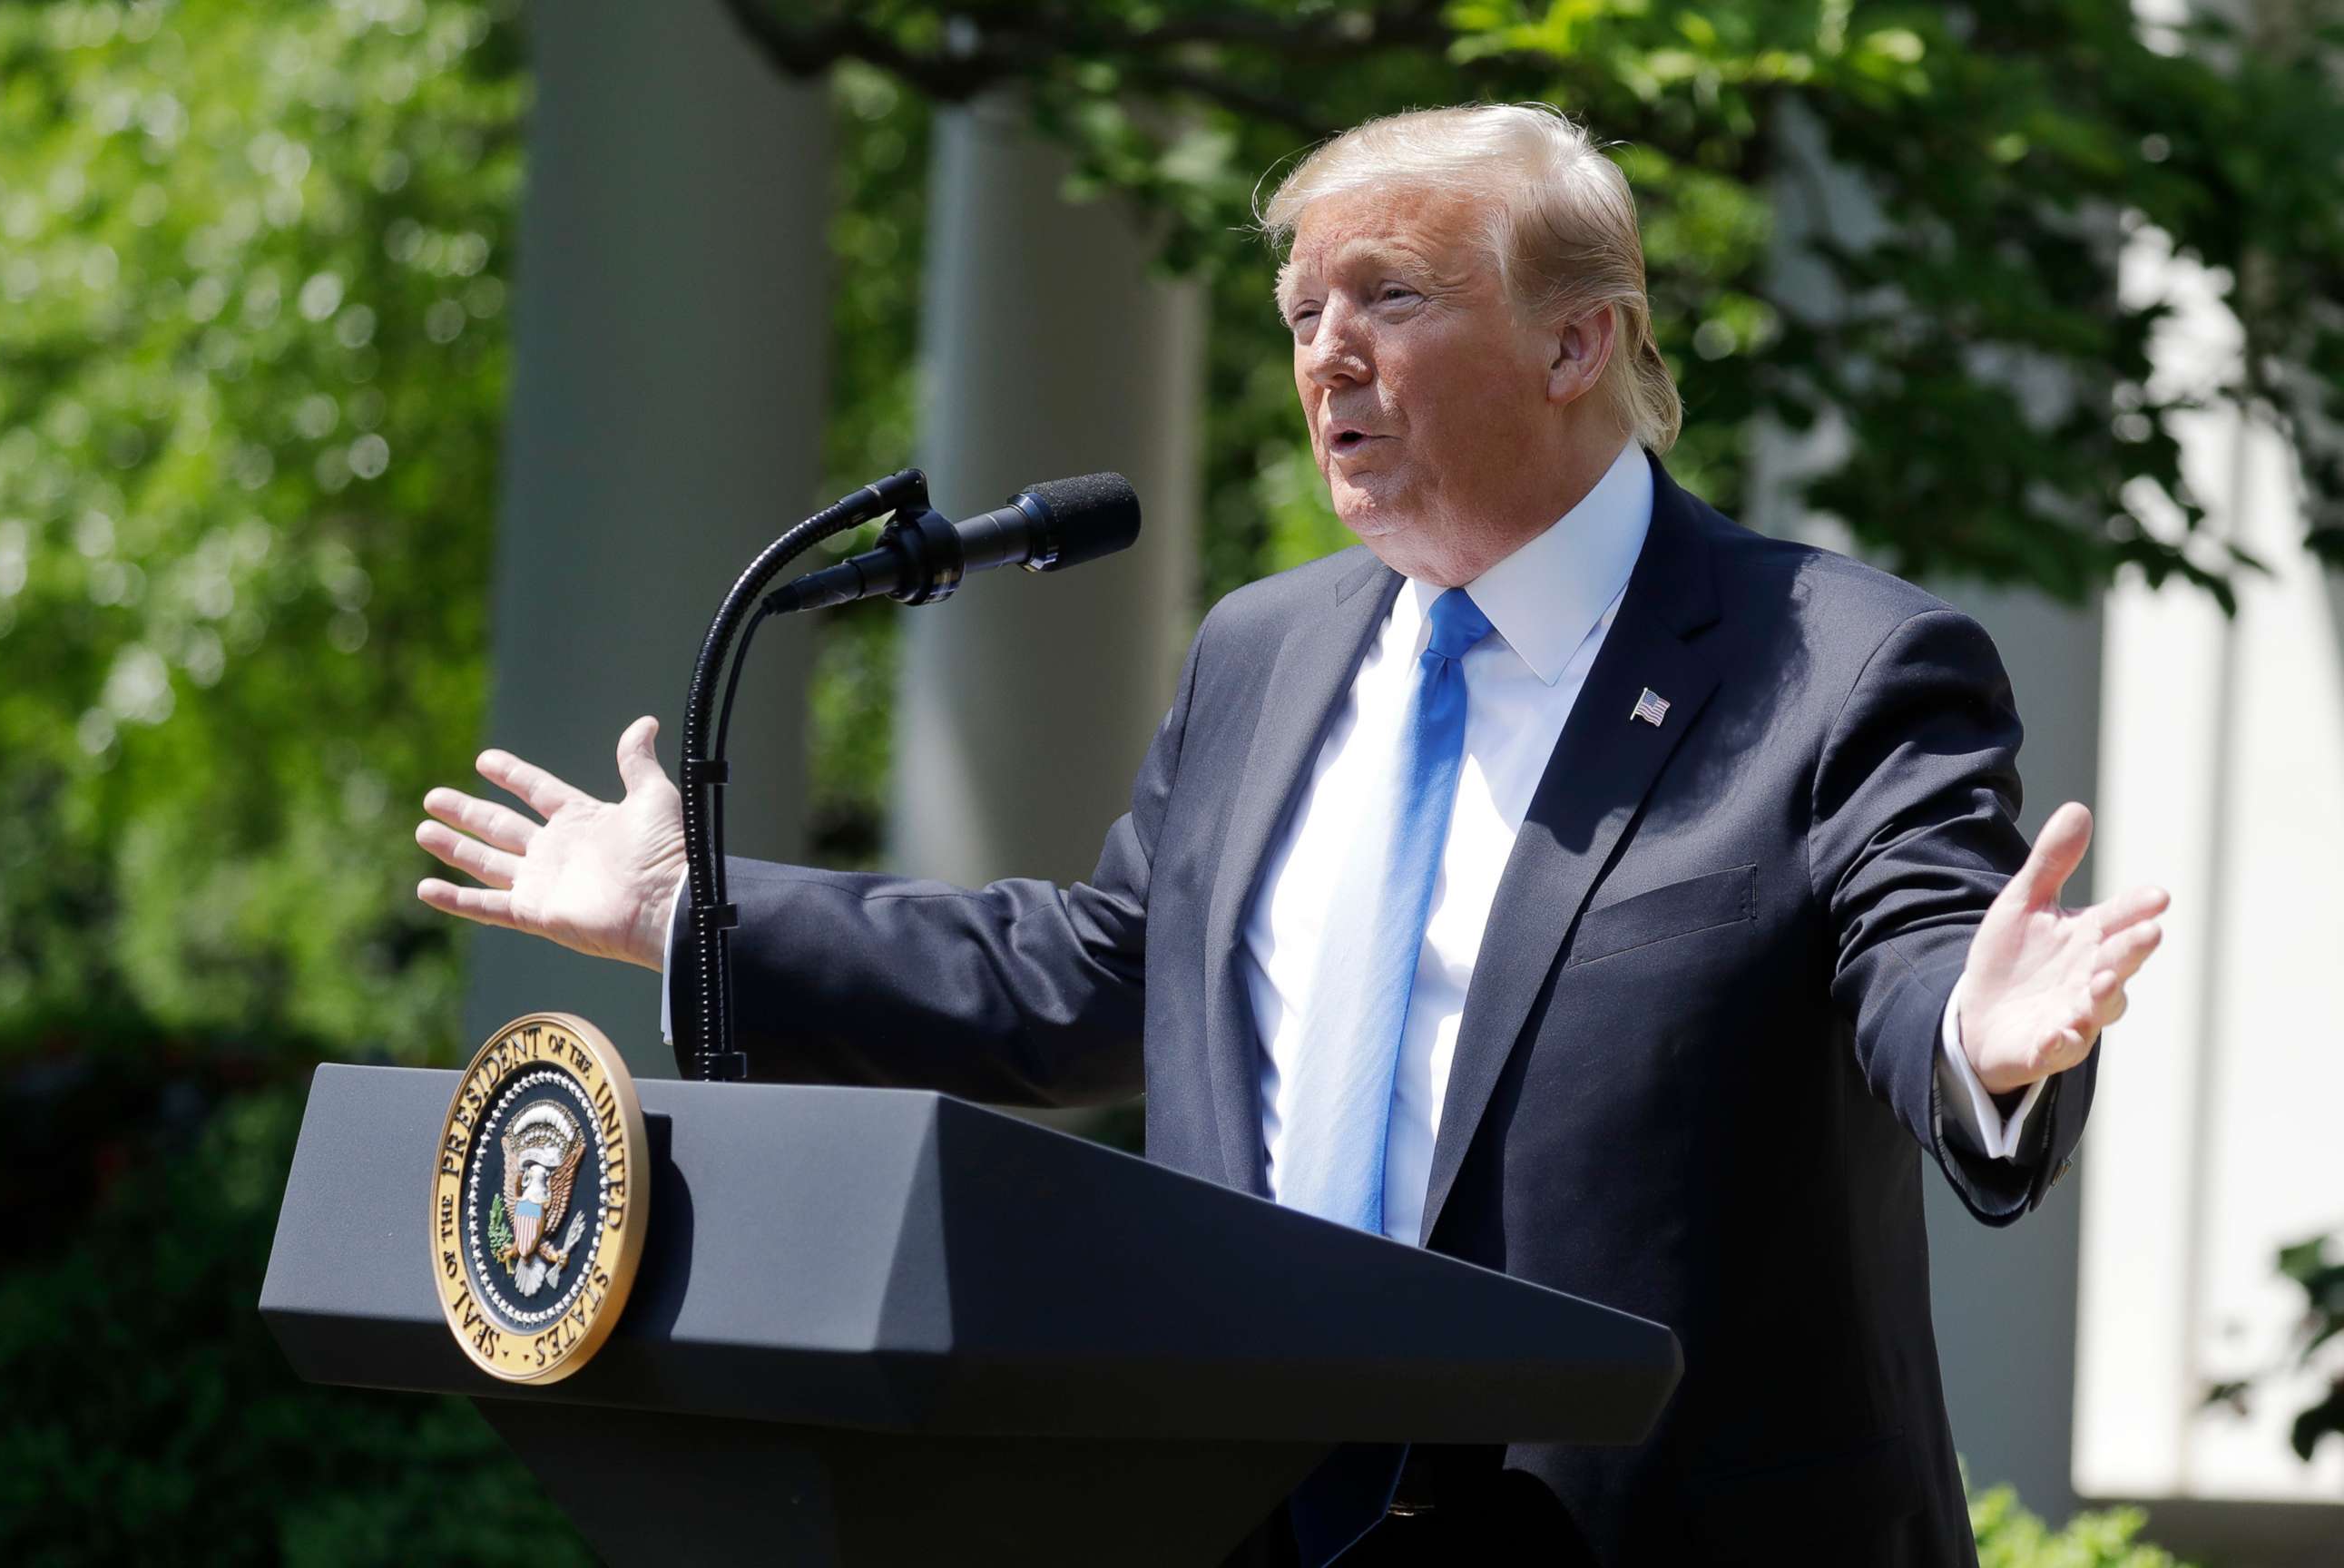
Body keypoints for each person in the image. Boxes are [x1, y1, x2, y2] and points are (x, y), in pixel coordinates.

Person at [414, 105, 2167, 1566]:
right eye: (1302, 307)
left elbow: (1918, 944)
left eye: (1390, 297)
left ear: (1579, 340)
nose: (1326, 351)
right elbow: (1096, 975)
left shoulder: (1834, 661)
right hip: (1250, 1524)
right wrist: (687, 909)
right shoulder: (1267, 650)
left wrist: (1973, 1034)